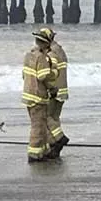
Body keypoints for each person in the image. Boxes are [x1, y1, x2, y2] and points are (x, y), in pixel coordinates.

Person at [22, 30, 58, 162]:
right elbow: (43, 76)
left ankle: (43, 151)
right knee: (38, 127)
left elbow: (24, 75)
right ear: (46, 44)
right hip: (38, 97)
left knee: (41, 125)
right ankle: (34, 154)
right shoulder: (41, 58)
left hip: (29, 96)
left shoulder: (28, 55)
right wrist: (53, 72)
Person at [40, 28, 69, 158]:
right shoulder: (60, 50)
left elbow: (49, 74)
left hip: (54, 91)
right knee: (55, 119)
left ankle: (59, 139)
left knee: (46, 117)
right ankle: (54, 148)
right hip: (63, 91)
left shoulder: (51, 54)